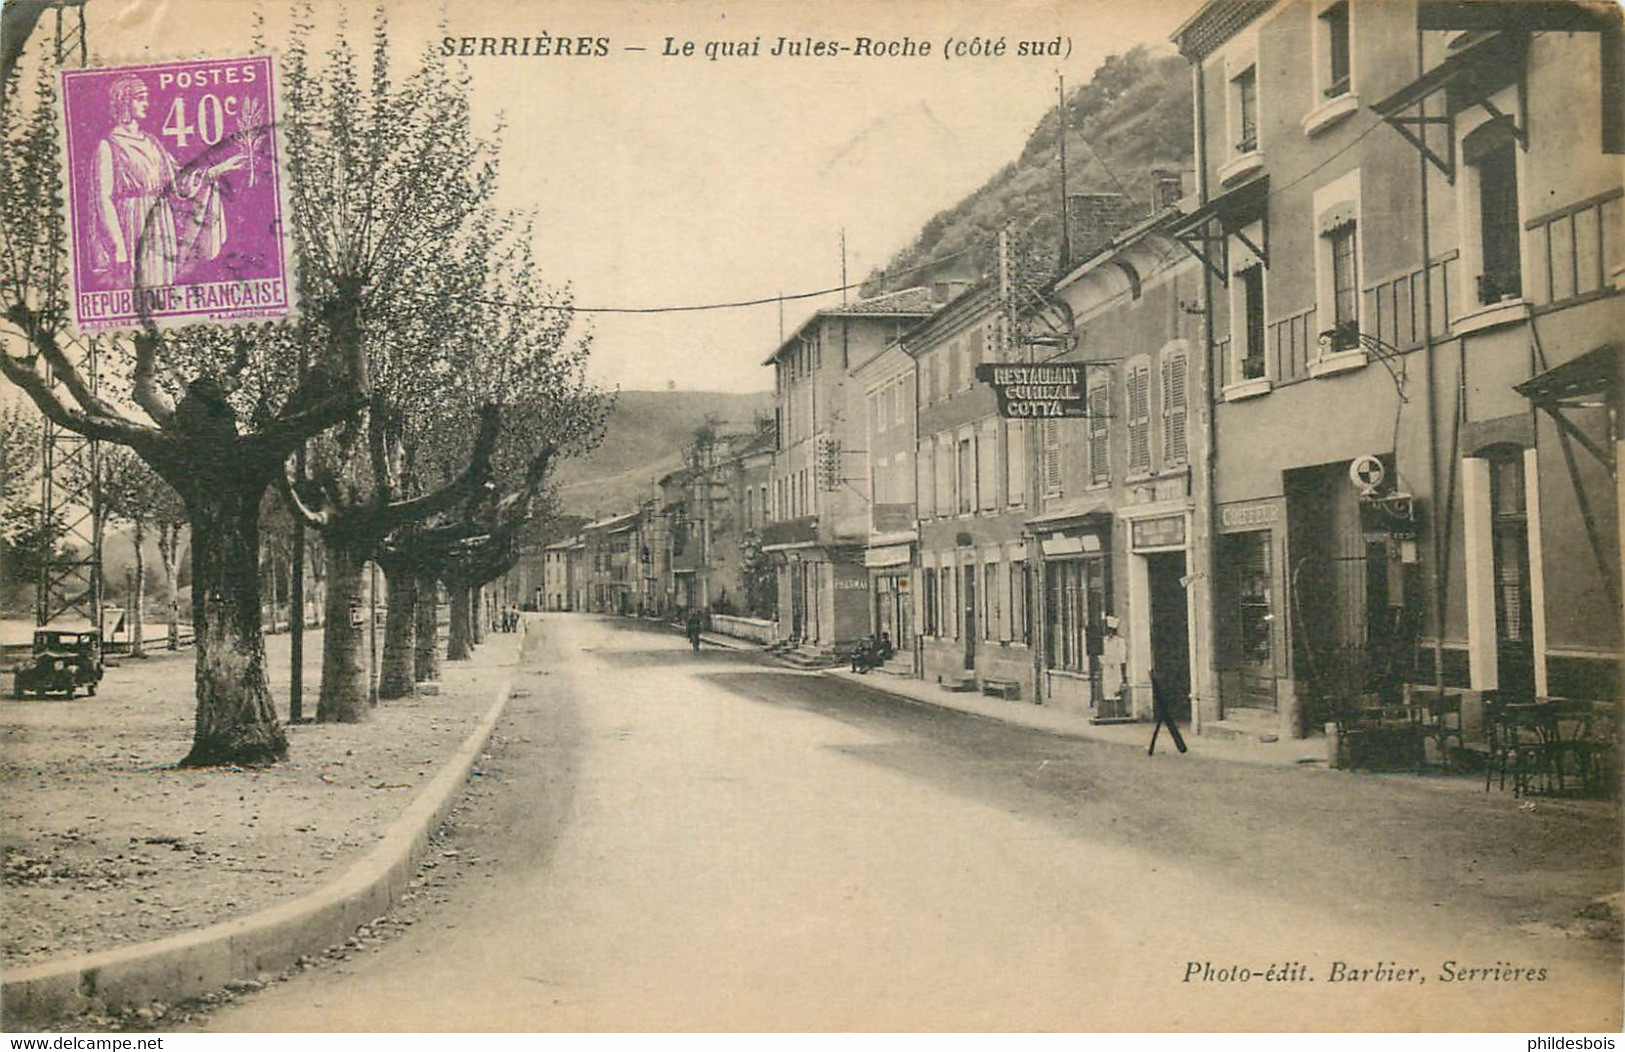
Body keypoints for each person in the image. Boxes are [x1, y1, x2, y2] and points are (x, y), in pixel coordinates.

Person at [90, 74, 245, 290]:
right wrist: (119, 250)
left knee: (162, 286)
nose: (146, 104)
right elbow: (103, 199)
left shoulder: (152, 142)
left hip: (161, 223)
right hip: (133, 224)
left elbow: (178, 183)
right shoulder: (108, 145)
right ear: (124, 101)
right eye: (140, 98)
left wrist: (218, 170)